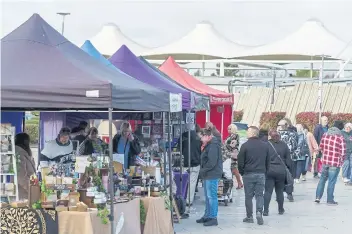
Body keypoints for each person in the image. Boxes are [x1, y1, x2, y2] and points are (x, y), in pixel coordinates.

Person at [238, 126, 270, 225]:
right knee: (260, 195)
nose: (247, 134)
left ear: (252, 133)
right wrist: (265, 171)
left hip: (248, 174)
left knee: (248, 196)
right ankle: (259, 212)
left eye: (248, 132)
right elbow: (268, 161)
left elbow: (240, 162)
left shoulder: (245, 146)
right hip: (261, 173)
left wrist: (242, 172)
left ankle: (249, 216)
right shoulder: (265, 146)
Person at [315, 121, 346, 205]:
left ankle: (318, 197)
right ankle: (329, 199)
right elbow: (343, 152)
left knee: (322, 180)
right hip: (335, 163)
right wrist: (341, 161)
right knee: (331, 181)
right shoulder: (340, 137)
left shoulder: (325, 134)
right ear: (340, 128)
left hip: (325, 162)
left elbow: (320, 147)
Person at [196, 128, 222, 227]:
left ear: (207, 136)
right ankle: (207, 215)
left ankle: (213, 217)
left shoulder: (213, 145)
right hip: (208, 174)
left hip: (212, 174)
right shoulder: (209, 144)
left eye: (202, 137)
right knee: (208, 196)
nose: (201, 139)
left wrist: (202, 170)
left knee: (212, 196)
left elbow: (212, 162)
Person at [264, 129, 292, 216]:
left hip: (269, 170)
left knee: (268, 191)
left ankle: (265, 210)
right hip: (281, 171)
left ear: (270, 136)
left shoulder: (266, 144)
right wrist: (289, 170)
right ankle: (280, 209)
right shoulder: (284, 145)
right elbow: (288, 160)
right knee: (279, 191)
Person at [178, 124, 201, 205]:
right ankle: (189, 200)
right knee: (192, 183)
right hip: (195, 163)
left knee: (183, 182)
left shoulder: (183, 136)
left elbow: (178, 148)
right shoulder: (198, 137)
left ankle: (181, 199)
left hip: (185, 163)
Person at [277, 119, 298, 202]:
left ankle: (279, 194)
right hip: (290, 158)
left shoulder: (276, 135)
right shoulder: (293, 134)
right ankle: (289, 193)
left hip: (279, 159)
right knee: (290, 176)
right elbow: (294, 146)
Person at [15, 133, 36, 200]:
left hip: (27, 190)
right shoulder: (19, 154)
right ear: (25, 141)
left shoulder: (24, 152)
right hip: (23, 193)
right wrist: (33, 190)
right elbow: (21, 176)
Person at [223, 124, 243, 189]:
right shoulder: (231, 136)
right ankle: (238, 183)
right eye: (228, 128)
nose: (228, 130)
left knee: (234, 169)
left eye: (229, 129)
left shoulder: (235, 136)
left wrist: (225, 146)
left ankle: (239, 183)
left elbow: (233, 145)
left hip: (232, 154)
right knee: (233, 169)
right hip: (229, 154)